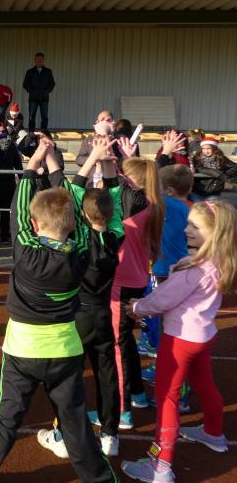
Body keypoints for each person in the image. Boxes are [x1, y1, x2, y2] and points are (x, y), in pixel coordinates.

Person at [0, 137, 116, 483]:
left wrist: (35, 160)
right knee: (75, 423)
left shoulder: (25, 249)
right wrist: (56, 167)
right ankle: (102, 481)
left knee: (5, 419)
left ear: (34, 226)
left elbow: (21, 207)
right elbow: (74, 211)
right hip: (65, 350)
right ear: (73, 224)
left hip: (22, 351)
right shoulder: (81, 251)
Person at [121, 199, 236, 483]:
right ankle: (213, 432)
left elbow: (163, 299)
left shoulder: (193, 270)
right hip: (203, 336)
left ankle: (160, 466)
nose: (186, 230)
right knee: (204, 384)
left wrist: (137, 307)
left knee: (167, 397)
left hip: (180, 340)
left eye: (194, 226)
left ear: (214, 233)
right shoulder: (220, 261)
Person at [37, 136, 124, 459]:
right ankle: (110, 434)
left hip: (76, 315)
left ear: (82, 218)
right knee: (106, 375)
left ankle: (62, 432)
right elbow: (113, 196)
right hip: (102, 315)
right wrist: (107, 162)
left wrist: (93, 159)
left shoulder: (80, 236)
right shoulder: (115, 235)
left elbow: (71, 192)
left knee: (68, 376)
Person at [109, 145, 165, 430]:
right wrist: (128, 158)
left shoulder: (133, 206)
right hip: (137, 278)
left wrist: (110, 156)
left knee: (117, 346)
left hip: (123, 281)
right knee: (126, 340)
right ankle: (138, 394)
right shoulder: (151, 202)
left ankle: (122, 411)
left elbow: (117, 183)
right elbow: (131, 180)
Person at [137, 164, 194, 405]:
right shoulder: (191, 208)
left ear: (168, 191)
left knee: (167, 331)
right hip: (181, 272)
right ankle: (172, 377)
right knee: (175, 330)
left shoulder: (167, 205)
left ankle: (178, 393)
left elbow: (145, 190)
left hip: (165, 274)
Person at [0, 122, 22, 243]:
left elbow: (17, 163)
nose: (1, 134)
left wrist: (22, 179)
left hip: (8, 183)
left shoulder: (12, 146)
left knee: (5, 211)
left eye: (3, 131)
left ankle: (4, 235)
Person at [190, 137, 237, 201]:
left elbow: (234, 167)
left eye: (208, 148)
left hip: (214, 190)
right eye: (203, 148)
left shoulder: (221, 158)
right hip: (198, 189)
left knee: (212, 206)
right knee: (197, 206)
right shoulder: (197, 158)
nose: (206, 151)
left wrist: (226, 173)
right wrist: (219, 174)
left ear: (214, 148)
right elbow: (201, 169)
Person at [22, 52, 55, 132]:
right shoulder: (30, 71)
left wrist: (47, 91)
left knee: (44, 116)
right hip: (33, 98)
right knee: (31, 116)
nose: (39, 61)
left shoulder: (48, 71)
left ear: (43, 60)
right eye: (37, 59)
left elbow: (52, 84)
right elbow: (25, 84)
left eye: (41, 60)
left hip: (44, 98)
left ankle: (44, 133)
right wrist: (32, 92)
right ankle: (31, 133)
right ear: (35, 60)